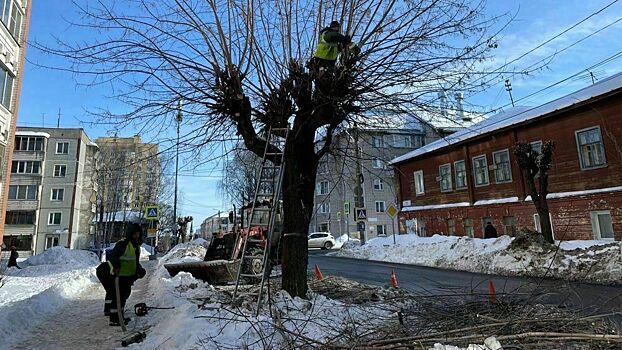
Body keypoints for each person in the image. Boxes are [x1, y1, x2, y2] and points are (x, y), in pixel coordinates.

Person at [96, 223, 146, 326]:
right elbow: (113, 256)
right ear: (130, 234)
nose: (136, 236)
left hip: (124, 276)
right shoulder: (123, 244)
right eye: (134, 234)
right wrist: (116, 264)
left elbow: (134, 262)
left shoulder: (136, 247)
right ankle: (115, 319)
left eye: (138, 234)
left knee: (121, 294)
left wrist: (140, 270)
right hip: (111, 273)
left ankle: (112, 313)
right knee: (117, 295)